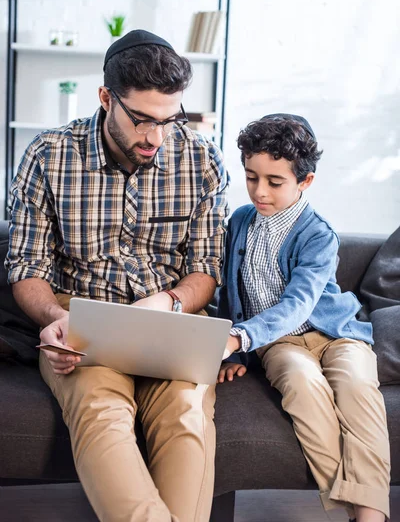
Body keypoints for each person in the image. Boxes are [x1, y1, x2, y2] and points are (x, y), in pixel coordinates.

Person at [6, 29, 229, 522]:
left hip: (171, 321)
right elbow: (26, 266)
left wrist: (168, 302)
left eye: (169, 120)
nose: (155, 137)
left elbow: (207, 269)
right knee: (102, 417)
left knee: (188, 417)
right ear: (106, 98)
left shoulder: (201, 159)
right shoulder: (49, 156)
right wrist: (51, 317)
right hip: (80, 322)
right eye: (142, 120)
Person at [217, 114, 391, 522]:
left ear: (305, 182)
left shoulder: (317, 234)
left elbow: (298, 304)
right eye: (251, 177)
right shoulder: (240, 221)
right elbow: (229, 289)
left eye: (274, 182)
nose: (260, 191)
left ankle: (369, 517)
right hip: (280, 343)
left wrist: (239, 338)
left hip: (338, 333)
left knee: (358, 390)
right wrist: (235, 353)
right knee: (302, 385)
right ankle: (350, 503)